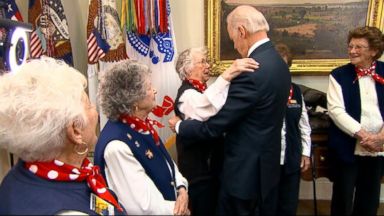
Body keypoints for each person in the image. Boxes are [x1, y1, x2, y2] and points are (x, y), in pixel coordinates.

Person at [169, 5, 291, 215]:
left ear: (242, 31)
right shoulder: (278, 63)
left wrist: (180, 126)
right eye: (202, 62)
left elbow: (215, 126)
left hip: (244, 174)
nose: (235, 45)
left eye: (233, 38)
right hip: (265, 168)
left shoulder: (250, 71)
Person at [0, 57, 126, 215]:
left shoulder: (21, 176)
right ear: (75, 131)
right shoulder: (66, 211)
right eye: (89, 105)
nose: (95, 112)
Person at [94, 60, 189, 215]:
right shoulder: (117, 146)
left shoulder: (140, 126)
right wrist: (180, 211)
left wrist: (181, 188)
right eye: (149, 87)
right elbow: (143, 207)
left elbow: (168, 163)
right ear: (134, 100)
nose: (155, 91)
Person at [174, 47, 259, 215]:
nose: (208, 66)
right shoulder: (187, 94)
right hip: (198, 175)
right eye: (202, 62)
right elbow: (205, 107)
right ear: (187, 69)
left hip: (213, 171)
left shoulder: (204, 89)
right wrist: (229, 73)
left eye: (207, 62)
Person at [327, 26, 384, 215]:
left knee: (369, 198)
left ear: (374, 50)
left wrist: (380, 138)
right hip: (347, 146)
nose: (352, 51)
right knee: (342, 199)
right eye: (350, 46)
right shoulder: (338, 75)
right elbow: (336, 111)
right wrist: (365, 136)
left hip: (378, 149)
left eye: (359, 47)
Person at [275, 43, 312, 215]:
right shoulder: (259, 90)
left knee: (288, 205)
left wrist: (305, 152)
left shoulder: (295, 91)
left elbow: (304, 125)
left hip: (291, 158)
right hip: (268, 161)